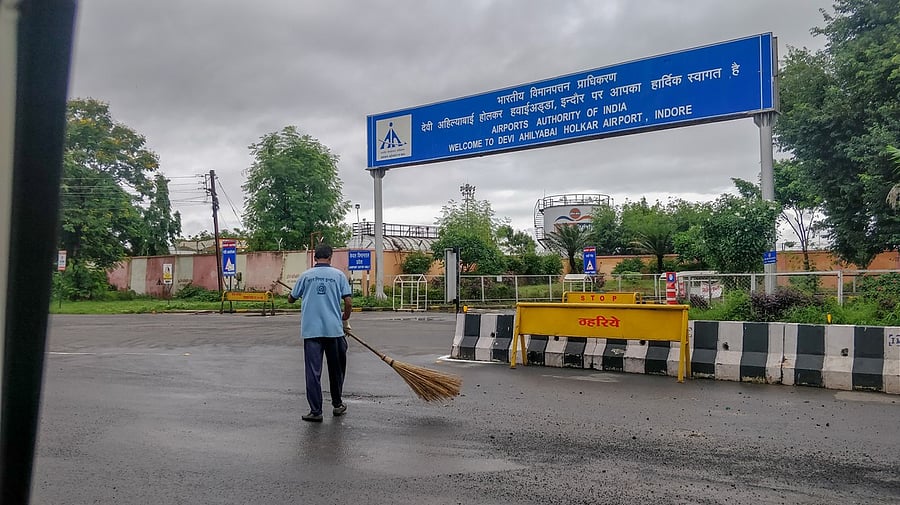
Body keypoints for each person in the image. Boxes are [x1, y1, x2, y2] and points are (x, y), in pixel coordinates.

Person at [288, 244, 352, 422]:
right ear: (330, 257)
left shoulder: (305, 276)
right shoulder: (339, 276)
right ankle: (337, 404)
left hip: (312, 332)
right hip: (334, 330)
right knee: (336, 369)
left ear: (315, 257)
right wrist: (345, 317)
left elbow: (291, 298)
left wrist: (293, 296)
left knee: (313, 372)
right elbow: (348, 302)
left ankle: (316, 411)